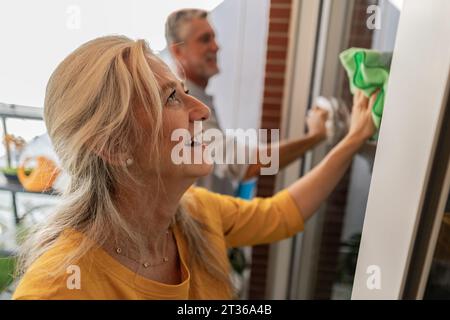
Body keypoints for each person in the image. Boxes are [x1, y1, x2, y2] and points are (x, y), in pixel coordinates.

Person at [13, 36, 376, 299]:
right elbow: (252, 162)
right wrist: (326, 138)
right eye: (171, 98)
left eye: (183, 90)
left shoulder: (197, 213)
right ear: (112, 145)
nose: (200, 111)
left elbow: (281, 213)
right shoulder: (58, 287)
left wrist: (349, 140)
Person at [165, 9, 329, 195]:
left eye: (214, 37)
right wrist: (315, 136)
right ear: (178, 51)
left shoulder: (196, 96)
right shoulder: (184, 106)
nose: (216, 46)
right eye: (205, 39)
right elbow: (247, 165)